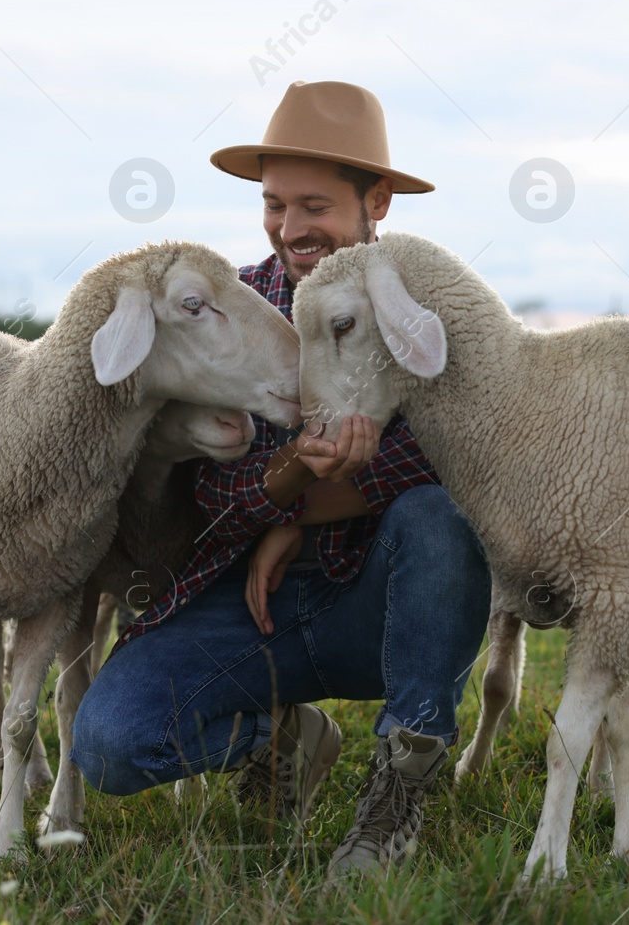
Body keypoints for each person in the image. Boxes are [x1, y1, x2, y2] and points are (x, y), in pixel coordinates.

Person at [72, 80, 491, 876]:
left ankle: (399, 784)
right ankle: (285, 733)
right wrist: (294, 470)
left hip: (383, 612)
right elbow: (206, 496)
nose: (292, 229)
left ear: (377, 201)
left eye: (315, 206)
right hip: (250, 614)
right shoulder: (237, 307)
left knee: (442, 514)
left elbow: (453, 460)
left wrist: (297, 516)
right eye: (274, 205)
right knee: (111, 744)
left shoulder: (425, 310)